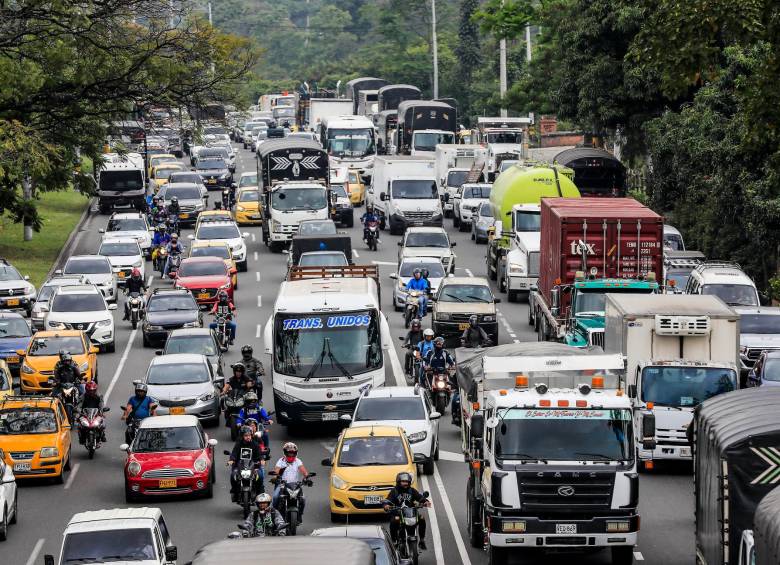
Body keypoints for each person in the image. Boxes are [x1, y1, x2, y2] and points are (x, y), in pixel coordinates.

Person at [384, 472, 430, 550]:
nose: (405, 483)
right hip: (398, 513)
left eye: (407, 482)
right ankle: (394, 541)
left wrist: (425, 501)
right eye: (403, 481)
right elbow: (388, 500)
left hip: (410, 513)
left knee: (422, 518)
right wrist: (386, 505)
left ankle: (422, 540)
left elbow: (419, 497)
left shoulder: (412, 490)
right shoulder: (394, 491)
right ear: (398, 482)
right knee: (394, 520)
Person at [272, 442, 312, 521]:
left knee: (303, 499)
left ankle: (300, 515)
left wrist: (307, 478)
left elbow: (304, 471)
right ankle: (274, 515)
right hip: (282, 485)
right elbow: (276, 472)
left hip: (295, 486)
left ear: (296, 453)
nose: (291, 455)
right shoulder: (281, 461)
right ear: (285, 453)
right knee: (275, 497)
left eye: (293, 453)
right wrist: (274, 478)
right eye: (289, 453)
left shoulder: (298, 461)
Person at [228, 426, 265, 501]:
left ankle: (259, 492)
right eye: (246, 435)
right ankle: (234, 491)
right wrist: (231, 460)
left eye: (249, 435)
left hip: (253, 466)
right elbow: (234, 453)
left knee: (260, 476)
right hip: (240, 465)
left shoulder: (255, 444)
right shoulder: (238, 444)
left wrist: (261, 460)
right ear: (242, 436)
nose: (248, 437)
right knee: (233, 476)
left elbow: (260, 454)